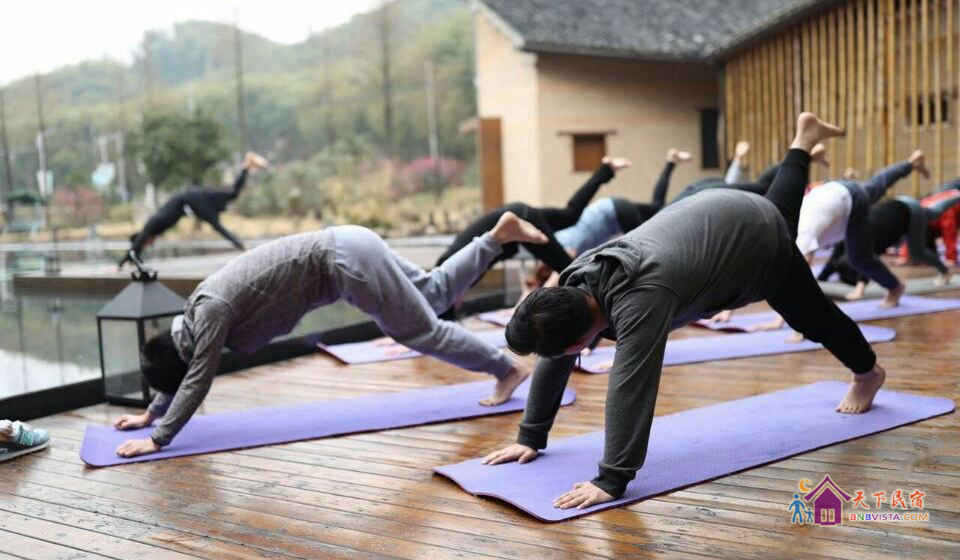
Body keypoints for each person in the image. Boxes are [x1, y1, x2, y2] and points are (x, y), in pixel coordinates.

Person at [482, 113, 887, 511]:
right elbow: (554, 347)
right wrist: (530, 436)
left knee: (812, 317)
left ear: (576, 345)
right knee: (780, 209)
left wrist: (612, 478)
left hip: (756, 243)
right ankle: (802, 141)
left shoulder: (639, 300)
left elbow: (631, 387)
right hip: (717, 210)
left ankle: (868, 373)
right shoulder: (575, 283)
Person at [111, 212, 549, 458]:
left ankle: (506, 369)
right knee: (432, 293)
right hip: (350, 244)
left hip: (344, 263)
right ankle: (496, 237)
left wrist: (158, 437)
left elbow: (195, 377)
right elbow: (183, 369)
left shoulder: (209, 315)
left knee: (420, 330)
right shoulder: (196, 314)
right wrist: (152, 414)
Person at [435, 157, 632, 284]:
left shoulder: (448, 272)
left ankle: (614, 299)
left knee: (570, 272)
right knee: (570, 215)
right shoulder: (449, 271)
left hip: (519, 220)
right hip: (518, 214)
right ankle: (606, 169)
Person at [118, 152, 269, 268]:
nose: (151, 244)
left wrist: (121, 264)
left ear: (146, 238)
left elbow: (137, 244)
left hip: (192, 199)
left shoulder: (153, 224)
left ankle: (241, 246)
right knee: (232, 194)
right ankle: (246, 166)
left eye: (148, 243)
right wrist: (134, 260)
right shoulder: (155, 228)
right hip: (194, 198)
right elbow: (139, 247)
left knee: (218, 224)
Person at [820, 190, 960, 298]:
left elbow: (868, 261)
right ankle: (957, 197)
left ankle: (945, 272)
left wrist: (859, 289)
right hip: (900, 202)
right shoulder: (848, 233)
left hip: (910, 211)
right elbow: (834, 259)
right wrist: (820, 280)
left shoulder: (862, 237)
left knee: (918, 252)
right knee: (933, 212)